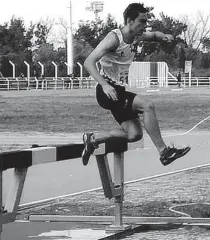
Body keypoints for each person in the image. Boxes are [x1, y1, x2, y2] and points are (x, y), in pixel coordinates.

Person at [81, 2, 190, 166]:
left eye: (146, 21)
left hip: (119, 91)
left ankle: (93, 138)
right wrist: (104, 84)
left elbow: (154, 35)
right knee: (148, 106)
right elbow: (89, 62)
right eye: (142, 21)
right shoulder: (114, 38)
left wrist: (164, 36)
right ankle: (164, 152)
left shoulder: (136, 36)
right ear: (130, 21)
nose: (145, 25)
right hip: (107, 92)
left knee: (134, 134)